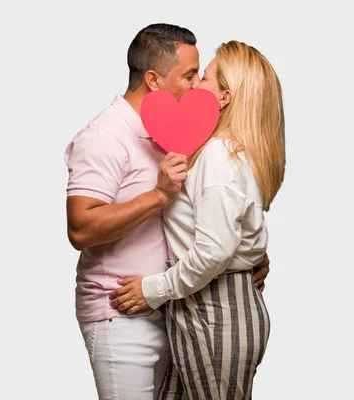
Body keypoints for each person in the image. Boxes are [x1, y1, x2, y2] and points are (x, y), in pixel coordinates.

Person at [64, 24, 270, 399]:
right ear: (154, 79)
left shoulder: (182, 134)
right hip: (121, 313)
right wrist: (158, 196)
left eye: (200, 75)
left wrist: (247, 252)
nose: (196, 87)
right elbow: (80, 229)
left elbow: (212, 213)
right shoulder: (104, 136)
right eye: (190, 76)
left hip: (174, 309)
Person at [110, 40, 286, 399]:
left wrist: (151, 290)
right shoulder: (221, 150)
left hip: (215, 312)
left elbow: (214, 251)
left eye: (203, 78)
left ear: (224, 97)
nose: (193, 86)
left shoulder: (219, 156)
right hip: (202, 307)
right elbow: (231, 233)